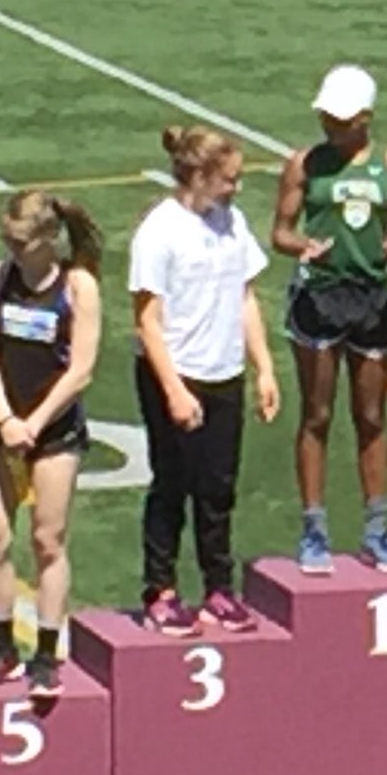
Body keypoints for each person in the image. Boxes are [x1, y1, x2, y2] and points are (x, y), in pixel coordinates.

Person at [272, 63, 387, 576]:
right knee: (317, 415)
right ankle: (314, 528)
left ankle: (377, 528)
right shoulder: (304, 165)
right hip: (319, 298)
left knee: (372, 415)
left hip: (373, 297)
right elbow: (281, 232)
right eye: (326, 119)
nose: (330, 129)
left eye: (340, 121)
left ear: (365, 117)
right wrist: (304, 247)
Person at [130, 125, 279, 637]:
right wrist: (173, 389)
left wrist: (263, 366)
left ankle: (219, 587)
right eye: (229, 179)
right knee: (172, 485)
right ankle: (161, 590)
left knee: (218, 488)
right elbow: (147, 318)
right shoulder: (160, 231)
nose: (236, 188)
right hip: (176, 374)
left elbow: (245, 296)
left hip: (224, 374)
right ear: (199, 175)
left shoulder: (232, 223)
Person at [0, 190, 103, 697]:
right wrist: (4, 418)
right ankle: (1, 647)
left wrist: (35, 423)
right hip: (0, 426)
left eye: (20, 242)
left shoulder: (77, 286)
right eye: (7, 240)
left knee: (48, 539)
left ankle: (46, 652)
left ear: (47, 239)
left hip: (54, 430)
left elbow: (81, 368)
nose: (12, 250)